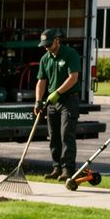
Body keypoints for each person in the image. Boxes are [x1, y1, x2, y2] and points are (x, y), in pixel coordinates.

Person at [34, 28, 81, 181]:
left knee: (66, 134)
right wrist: (38, 101)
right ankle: (56, 167)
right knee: (53, 136)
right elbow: (41, 81)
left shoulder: (70, 54)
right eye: (44, 45)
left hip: (69, 100)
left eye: (49, 44)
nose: (46, 47)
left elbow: (73, 77)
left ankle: (68, 169)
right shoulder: (45, 58)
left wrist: (58, 92)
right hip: (52, 103)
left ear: (57, 40)